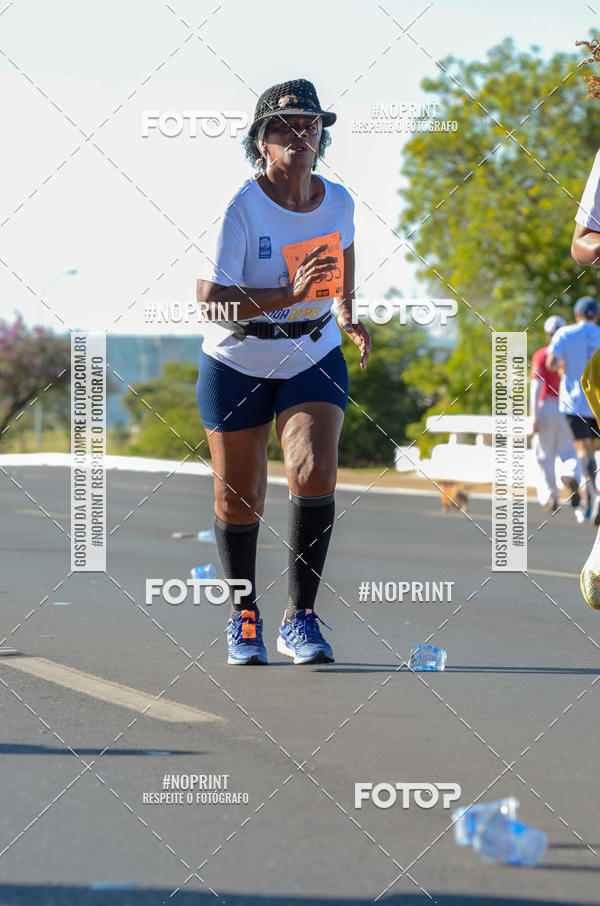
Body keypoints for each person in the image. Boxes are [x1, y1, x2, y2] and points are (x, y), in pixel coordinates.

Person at [196, 79, 371, 665]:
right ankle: (243, 614)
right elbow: (212, 301)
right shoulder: (242, 208)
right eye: (286, 126)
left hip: (312, 352)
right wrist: (284, 294)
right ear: (261, 141)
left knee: (315, 467)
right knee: (239, 500)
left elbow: (343, 254)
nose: (301, 135)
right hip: (238, 360)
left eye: (311, 125)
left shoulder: (339, 199)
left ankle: (301, 618)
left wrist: (346, 312)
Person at [546, 297, 600, 523]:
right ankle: (591, 497)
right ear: (595, 315)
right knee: (591, 449)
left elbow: (551, 362)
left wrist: (561, 366)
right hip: (597, 400)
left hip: (574, 401)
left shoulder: (564, 333)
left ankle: (595, 496)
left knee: (582, 450)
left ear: (577, 314)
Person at [530, 315, 580, 514]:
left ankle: (550, 496)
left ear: (547, 334)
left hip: (549, 405)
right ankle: (569, 476)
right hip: (569, 407)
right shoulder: (572, 355)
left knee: (544, 455)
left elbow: (536, 387)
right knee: (569, 451)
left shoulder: (543, 355)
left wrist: (534, 417)